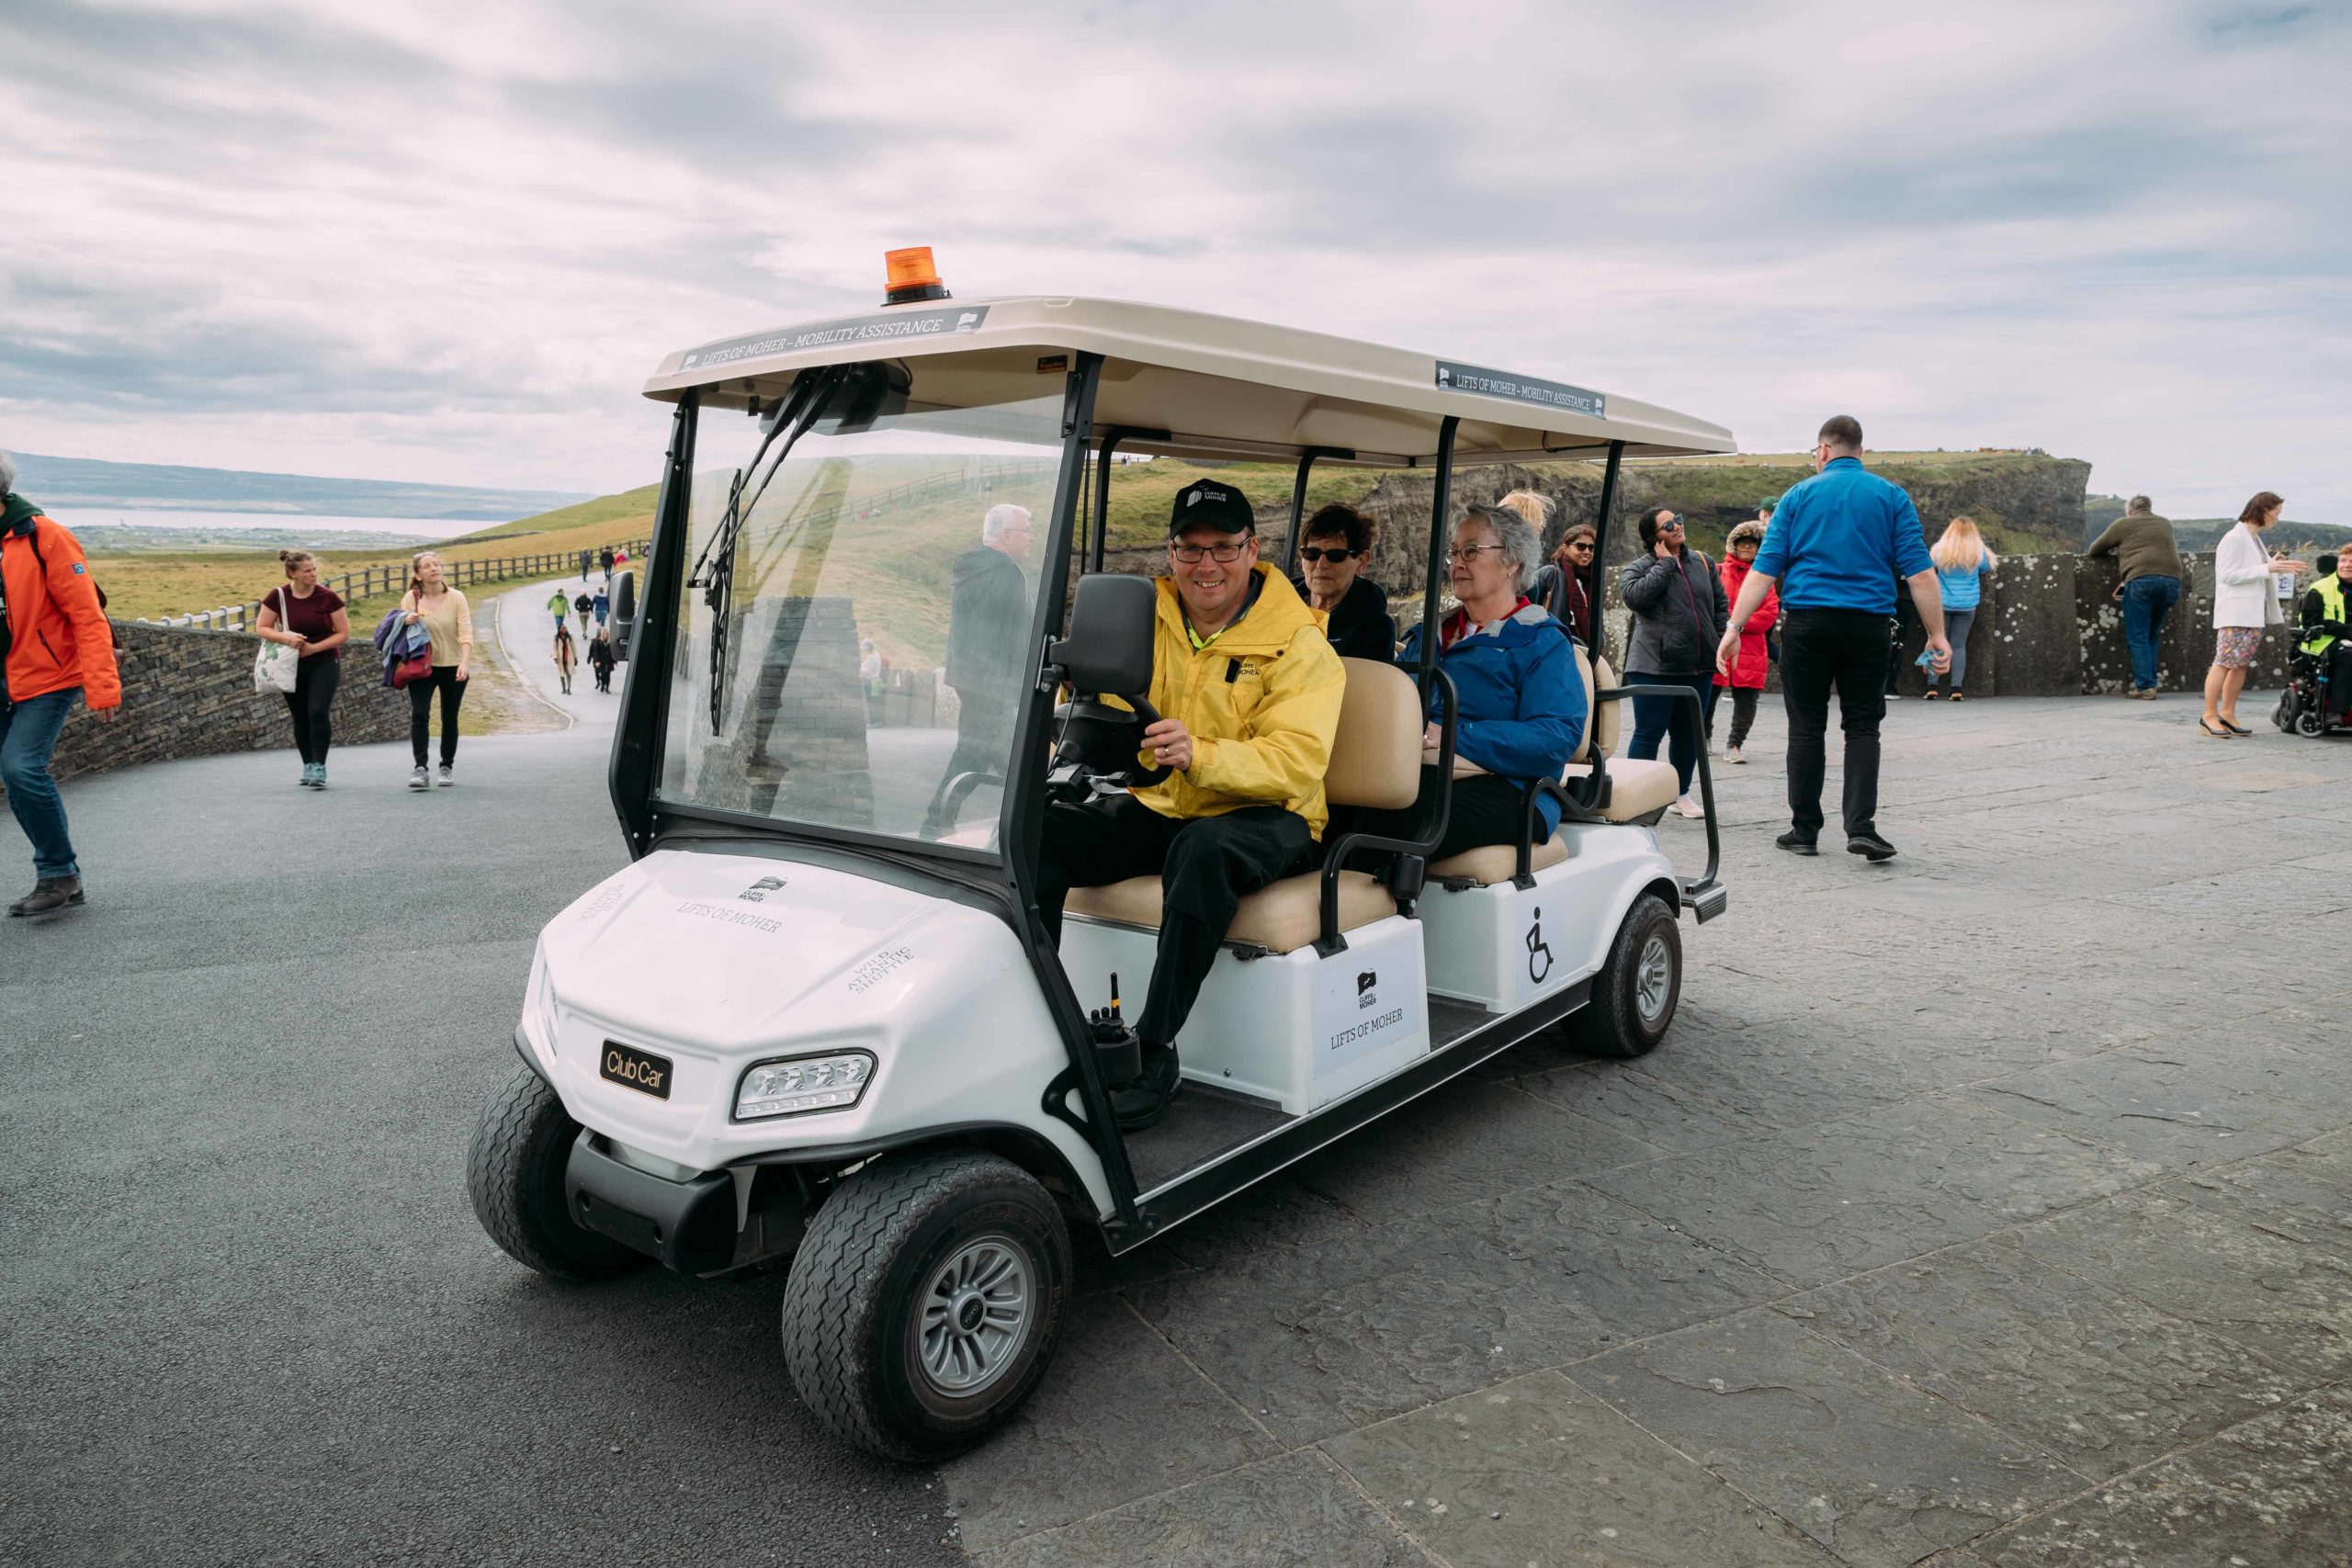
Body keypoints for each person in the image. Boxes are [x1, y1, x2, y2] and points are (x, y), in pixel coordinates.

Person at [1035, 479, 1344, 1130]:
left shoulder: (1298, 643)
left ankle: (1152, 1047)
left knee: (1202, 851)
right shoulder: (1148, 617)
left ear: (1251, 549)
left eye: (1223, 549)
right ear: (1171, 551)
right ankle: (1037, 1021)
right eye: (1190, 549)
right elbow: (1113, 705)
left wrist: (1199, 753)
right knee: (1038, 830)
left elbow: (1297, 761)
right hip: (1168, 801)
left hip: (1273, 816)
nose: (1206, 565)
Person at [1716, 415, 1949, 861]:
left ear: (1823, 451)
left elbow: (1764, 569)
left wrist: (1734, 628)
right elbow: (1919, 572)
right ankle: (1861, 828)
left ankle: (1803, 831)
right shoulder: (1891, 496)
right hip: (1868, 624)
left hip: (1808, 622)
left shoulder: (1798, 496)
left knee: (1806, 727)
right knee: (1863, 726)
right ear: (1860, 450)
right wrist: (1937, 635)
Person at [1389, 503, 1585, 859]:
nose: (1458, 563)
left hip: (1513, 788)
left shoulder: (1541, 641)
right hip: (1419, 770)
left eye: (1471, 551)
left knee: (1400, 820)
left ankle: (1387, 908)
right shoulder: (1430, 635)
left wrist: (1450, 734)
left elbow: (1555, 738)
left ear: (1512, 562)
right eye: (1454, 553)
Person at [0, 453, 120, 915]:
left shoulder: (44, 537)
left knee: (21, 768)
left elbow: (87, 615)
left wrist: (102, 683)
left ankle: (58, 874)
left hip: (48, 675)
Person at [924, 502, 1035, 836]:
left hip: (971, 678)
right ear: (1006, 536)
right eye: (1026, 531)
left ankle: (938, 823)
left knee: (989, 755)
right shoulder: (1004, 573)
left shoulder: (972, 569)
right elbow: (1014, 635)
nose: (1030, 538)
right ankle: (935, 824)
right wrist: (1016, 684)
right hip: (992, 684)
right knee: (992, 757)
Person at [1620, 505, 1728, 818]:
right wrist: (1665, 565)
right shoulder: (1638, 568)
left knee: (1688, 733)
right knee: (1648, 733)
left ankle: (1679, 794)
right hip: (1653, 665)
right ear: (1654, 537)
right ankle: (1635, 794)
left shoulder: (1704, 563)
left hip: (1698, 664)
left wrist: (1719, 639)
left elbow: (1720, 604)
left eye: (1678, 520)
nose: (1677, 526)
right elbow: (1636, 598)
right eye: (1669, 525)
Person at [2201, 491, 2303, 738]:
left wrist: (2273, 566)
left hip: (2250, 613)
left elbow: (2257, 570)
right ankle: (2209, 716)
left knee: (2240, 666)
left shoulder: (2254, 539)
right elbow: (2227, 575)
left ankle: (2227, 713)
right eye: (2276, 513)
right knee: (2223, 664)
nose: (2277, 519)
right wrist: (2267, 567)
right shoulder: (2234, 538)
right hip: (2235, 613)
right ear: (2264, 511)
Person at [253, 548, 351, 787]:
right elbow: (262, 627)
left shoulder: (328, 597)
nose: (314, 574)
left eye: (314, 569)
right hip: (291, 664)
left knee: (317, 711)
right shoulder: (278, 596)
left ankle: (319, 766)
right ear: (292, 573)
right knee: (300, 716)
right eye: (307, 571)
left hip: (325, 662)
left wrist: (314, 648)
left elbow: (344, 634)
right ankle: (307, 764)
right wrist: (287, 639)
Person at [2086, 495, 2185, 698]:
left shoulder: (2123, 524)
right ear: (2149, 508)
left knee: (2138, 636)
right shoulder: (2164, 523)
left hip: (2141, 582)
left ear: (2130, 511)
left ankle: (2146, 686)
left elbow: (2094, 550)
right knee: (2152, 635)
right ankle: (2150, 683)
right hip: (2171, 582)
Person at [401, 551, 473, 788]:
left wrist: (464, 662)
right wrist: (405, 621)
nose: (434, 568)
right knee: (420, 714)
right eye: (427, 566)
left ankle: (446, 766)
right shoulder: (411, 599)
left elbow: (465, 632)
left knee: (449, 717)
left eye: (436, 564)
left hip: (453, 665)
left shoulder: (456, 597)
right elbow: (402, 635)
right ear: (418, 574)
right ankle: (420, 768)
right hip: (423, 666)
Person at [1290, 502, 1396, 660]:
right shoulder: (1277, 608)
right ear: (1302, 558)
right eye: (1312, 553)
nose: (1321, 564)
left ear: (1362, 561)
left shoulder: (1374, 630)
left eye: (1335, 555)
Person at [1709, 520, 1776, 761]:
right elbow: (1711, 605)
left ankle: (1734, 744)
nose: (1747, 547)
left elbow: (1769, 613)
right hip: (1720, 643)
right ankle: (1704, 736)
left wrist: (1737, 625)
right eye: (1742, 543)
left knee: (1747, 700)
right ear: (1733, 546)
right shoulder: (1716, 571)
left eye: (1752, 543)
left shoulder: (1765, 579)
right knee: (1708, 694)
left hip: (1752, 648)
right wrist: (1731, 625)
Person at [1924, 517, 1996, 701]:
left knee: (1937, 641)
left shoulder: (1939, 550)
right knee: (1958, 645)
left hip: (1942, 604)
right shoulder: (1977, 552)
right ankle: (1956, 688)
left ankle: (1933, 686)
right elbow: (1987, 568)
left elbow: (1929, 567)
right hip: (1966, 605)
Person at [2298, 548, 2352, 722]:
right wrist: (2347, 630)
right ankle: (2336, 711)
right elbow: (2310, 622)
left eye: (2351, 562)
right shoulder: (2320, 589)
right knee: (2349, 653)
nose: (2347, 566)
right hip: (2324, 642)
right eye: (2343, 561)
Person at [1529, 522, 1599, 645]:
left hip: (1579, 647)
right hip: (1549, 646)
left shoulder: (1590, 583)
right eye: (1581, 546)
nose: (1587, 552)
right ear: (1565, 547)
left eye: (1591, 548)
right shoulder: (1550, 574)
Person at [587, 627, 616, 693]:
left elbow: (614, 652)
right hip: (602, 661)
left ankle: (607, 688)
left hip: (609, 660)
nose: (605, 635)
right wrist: (596, 661)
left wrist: (615, 660)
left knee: (608, 675)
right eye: (604, 634)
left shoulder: (611, 642)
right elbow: (596, 652)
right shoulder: (598, 642)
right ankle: (603, 685)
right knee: (603, 674)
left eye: (606, 633)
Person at [552, 624, 577, 695]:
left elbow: (574, 648)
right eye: (563, 628)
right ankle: (563, 688)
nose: (564, 629)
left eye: (565, 628)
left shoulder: (570, 637)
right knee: (562, 674)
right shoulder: (556, 638)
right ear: (559, 629)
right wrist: (555, 657)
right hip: (560, 659)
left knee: (569, 673)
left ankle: (569, 688)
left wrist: (575, 657)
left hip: (569, 658)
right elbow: (554, 648)